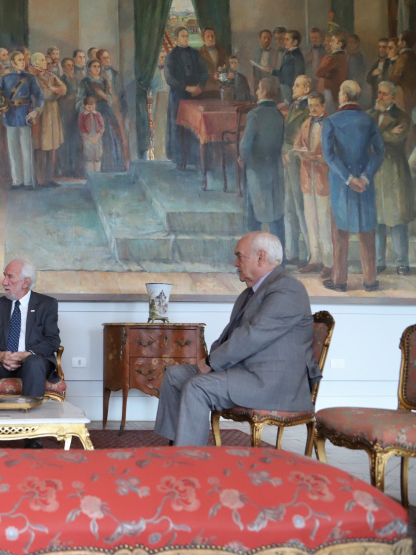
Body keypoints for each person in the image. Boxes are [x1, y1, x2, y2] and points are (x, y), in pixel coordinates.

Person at [154, 231, 319, 446]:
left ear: (260, 257)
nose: (235, 263)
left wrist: (213, 363)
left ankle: (189, 460)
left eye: (239, 256)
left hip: (274, 383)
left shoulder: (288, 288)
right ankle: (175, 445)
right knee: (176, 375)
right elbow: (230, 336)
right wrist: (211, 361)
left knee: (197, 386)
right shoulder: (249, 293)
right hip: (246, 372)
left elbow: (254, 335)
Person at [0, 258, 61, 449]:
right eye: (4, 276)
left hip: (32, 360)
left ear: (25, 282)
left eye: (10, 277)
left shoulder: (46, 304)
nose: (4, 282)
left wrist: (27, 354)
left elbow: (52, 340)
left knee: (33, 363)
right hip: (4, 360)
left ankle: (32, 434)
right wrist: (0, 355)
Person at [322, 80, 385, 292]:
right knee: (367, 230)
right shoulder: (369, 120)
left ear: (344, 96)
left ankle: (340, 280)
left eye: (340, 92)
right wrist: (365, 177)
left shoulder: (331, 121)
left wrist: (348, 178)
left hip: (341, 184)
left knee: (340, 231)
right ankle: (370, 280)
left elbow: (329, 155)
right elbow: (379, 152)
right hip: (365, 184)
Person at [367, 82, 414, 276]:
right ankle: (378, 261)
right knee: (377, 221)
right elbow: (364, 138)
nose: (380, 96)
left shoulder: (402, 116)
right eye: (378, 93)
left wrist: (375, 134)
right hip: (375, 173)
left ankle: (402, 262)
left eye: (384, 94)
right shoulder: (369, 114)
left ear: (393, 98)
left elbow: (397, 139)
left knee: (397, 221)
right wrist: (383, 134)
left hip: (394, 173)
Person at [239, 77, 286, 255]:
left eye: (259, 88)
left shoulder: (255, 114)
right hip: (274, 169)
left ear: (265, 91)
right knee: (275, 214)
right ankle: (280, 257)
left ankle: (252, 256)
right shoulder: (278, 115)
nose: (257, 91)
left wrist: (242, 158)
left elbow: (245, 145)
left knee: (253, 215)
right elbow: (280, 141)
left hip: (255, 169)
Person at [0, 50, 44, 189]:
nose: (23, 62)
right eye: (19, 60)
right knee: (13, 151)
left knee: (26, 150)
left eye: (23, 60)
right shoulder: (5, 78)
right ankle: (17, 181)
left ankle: (28, 182)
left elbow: (40, 97)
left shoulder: (31, 78)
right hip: (10, 116)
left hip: (26, 115)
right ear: (13, 63)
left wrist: (36, 112)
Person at [293, 92, 333, 277]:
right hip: (307, 177)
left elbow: (334, 153)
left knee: (325, 220)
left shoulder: (330, 125)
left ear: (324, 106)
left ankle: (329, 262)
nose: (313, 109)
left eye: (316, 105)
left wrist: (319, 158)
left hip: (323, 177)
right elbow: (297, 144)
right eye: (311, 105)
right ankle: (315, 259)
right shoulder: (305, 124)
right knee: (311, 219)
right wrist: (301, 152)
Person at [165, 27, 208, 169]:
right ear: (176, 38)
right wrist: (186, 88)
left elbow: (204, 72)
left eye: (187, 36)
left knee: (195, 127)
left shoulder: (195, 53)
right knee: (179, 127)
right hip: (178, 96)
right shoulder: (171, 56)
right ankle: (180, 160)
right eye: (182, 36)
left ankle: (196, 159)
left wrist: (200, 87)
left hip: (195, 95)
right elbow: (169, 78)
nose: (185, 38)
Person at [282, 75, 313, 267]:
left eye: (298, 85)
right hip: (287, 159)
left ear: (307, 89)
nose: (293, 87)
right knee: (289, 207)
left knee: (302, 207)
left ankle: (311, 254)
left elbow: (304, 137)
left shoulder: (309, 109)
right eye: (294, 84)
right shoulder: (295, 106)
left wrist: (290, 154)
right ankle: (291, 252)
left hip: (298, 161)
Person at [31, 52, 66, 186]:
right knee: (41, 147)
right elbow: (43, 95)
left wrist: (55, 89)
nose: (45, 62)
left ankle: (49, 178)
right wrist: (54, 92)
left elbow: (63, 88)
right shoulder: (34, 77)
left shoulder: (51, 75)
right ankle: (40, 179)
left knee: (51, 147)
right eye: (42, 60)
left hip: (52, 113)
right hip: (42, 114)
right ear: (36, 63)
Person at [315, 31, 348, 113]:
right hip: (337, 89)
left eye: (333, 41)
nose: (330, 44)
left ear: (339, 45)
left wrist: (328, 75)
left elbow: (318, 72)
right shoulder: (342, 57)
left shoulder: (334, 58)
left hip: (331, 89)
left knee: (330, 112)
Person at [271, 30, 305, 101]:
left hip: (291, 88)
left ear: (295, 42)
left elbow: (298, 75)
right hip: (284, 87)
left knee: (288, 108)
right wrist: (272, 71)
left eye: (287, 39)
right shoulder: (287, 53)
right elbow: (284, 73)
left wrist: (294, 90)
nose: (284, 42)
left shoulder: (297, 56)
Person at [199, 28, 229, 92]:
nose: (211, 39)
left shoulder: (222, 51)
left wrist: (222, 76)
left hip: (220, 86)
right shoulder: (199, 52)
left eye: (212, 36)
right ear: (203, 39)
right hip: (206, 88)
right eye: (208, 36)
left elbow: (227, 67)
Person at [79, 95, 104, 172]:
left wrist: (97, 137)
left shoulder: (97, 114)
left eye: (93, 107)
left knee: (97, 156)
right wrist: (89, 138)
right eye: (89, 107)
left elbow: (102, 126)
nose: (91, 109)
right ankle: (90, 174)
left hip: (97, 138)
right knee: (89, 157)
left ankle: (97, 173)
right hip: (87, 138)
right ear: (84, 106)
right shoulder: (82, 115)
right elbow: (81, 128)